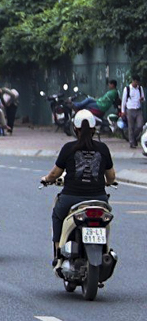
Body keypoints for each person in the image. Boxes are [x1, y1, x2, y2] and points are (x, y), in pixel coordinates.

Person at [41, 109, 117, 255]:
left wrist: (46, 179)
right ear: (94, 129)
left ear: (75, 129)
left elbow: (55, 174)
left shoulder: (68, 148)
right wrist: (107, 183)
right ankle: (105, 251)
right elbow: (111, 177)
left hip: (71, 198)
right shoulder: (103, 148)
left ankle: (58, 250)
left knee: (57, 215)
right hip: (99, 199)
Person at [127, 74, 145, 150]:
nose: (136, 84)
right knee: (131, 127)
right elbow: (124, 100)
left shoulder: (140, 89)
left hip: (138, 109)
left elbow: (144, 99)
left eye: (138, 82)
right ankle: (132, 142)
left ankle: (133, 137)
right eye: (136, 82)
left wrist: (142, 99)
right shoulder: (127, 89)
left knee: (140, 125)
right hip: (130, 109)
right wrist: (123, 111)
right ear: (133, 81)